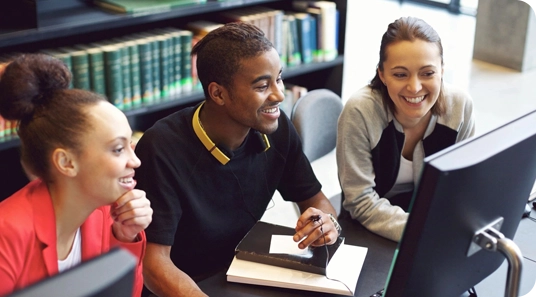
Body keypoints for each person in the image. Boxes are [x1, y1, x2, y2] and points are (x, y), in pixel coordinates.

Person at [135, 22, 341, 297]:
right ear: (218, 93)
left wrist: (326, 222)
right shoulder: (160, 148)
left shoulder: (277, 129)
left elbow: (316, 199)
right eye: (262, 86)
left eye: (278, 79)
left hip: (242, 273)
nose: (279, 95)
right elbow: (153, 265)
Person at [0, 54, 153, 297]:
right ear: (66, 162)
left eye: (130, 145)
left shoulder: (106, 215)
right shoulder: (6, 236)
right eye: (117, 149)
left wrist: (124, 237)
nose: (135, 161)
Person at [336, 16, 475, 242]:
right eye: (400, 74)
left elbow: (463, 185)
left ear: (442, 69)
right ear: (382, 74)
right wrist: (425, 231)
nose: (414, 87)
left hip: (431, 223)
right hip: (368, 228)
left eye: (427, 73)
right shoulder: (360, 111)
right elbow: (359, 201)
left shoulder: (460, 107)